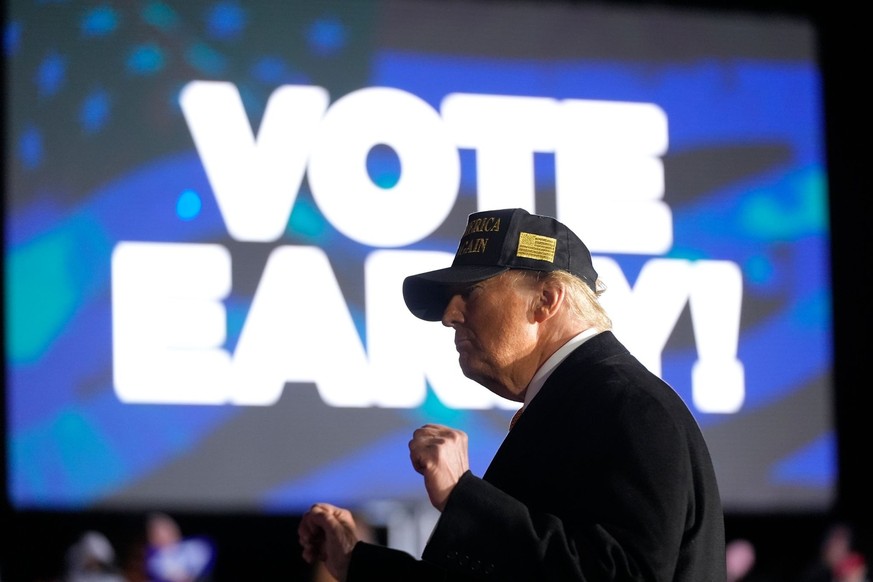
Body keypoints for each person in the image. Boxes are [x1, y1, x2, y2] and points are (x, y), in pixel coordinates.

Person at [298, 207, 727, 581]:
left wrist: (462, 497)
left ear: (545, 300)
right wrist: (355, 563)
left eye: (473, 292)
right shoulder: (580, 403)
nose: (450, 315)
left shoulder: (629, 407)